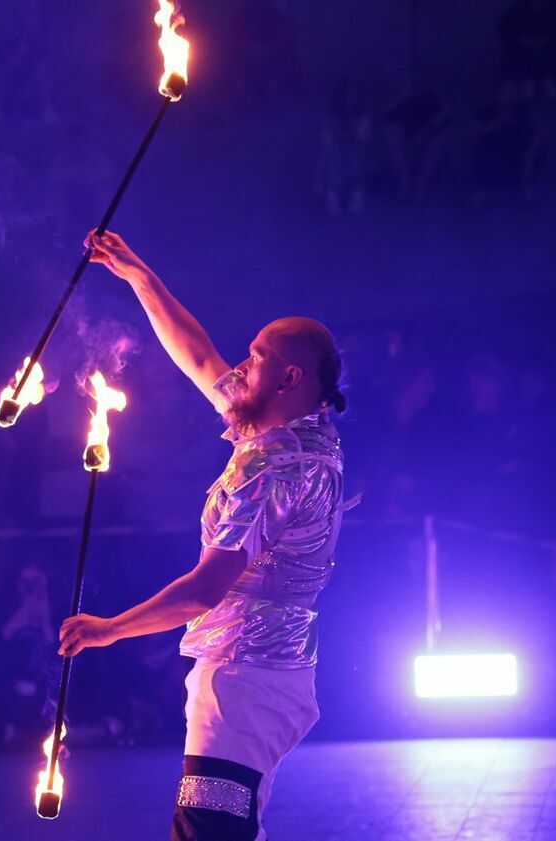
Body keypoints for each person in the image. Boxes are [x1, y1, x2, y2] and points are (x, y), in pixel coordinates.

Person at [57, 231, 351, 841]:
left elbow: (202, 591)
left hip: (245, 680)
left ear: (289, 377)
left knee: (209, 831)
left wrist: (110, 629)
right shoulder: (296, 435)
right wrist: (139, 275)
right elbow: (198, 358)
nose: (239, 367)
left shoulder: (274, 464)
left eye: (255, 357)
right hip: (264, 674)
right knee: (228, 828)